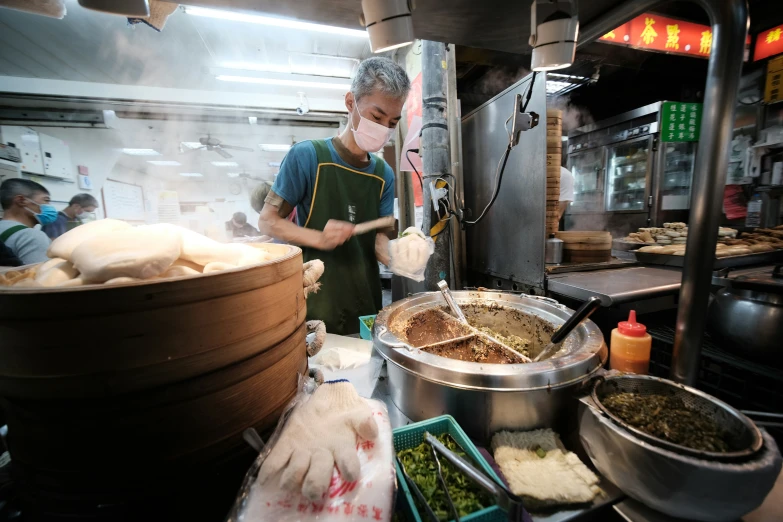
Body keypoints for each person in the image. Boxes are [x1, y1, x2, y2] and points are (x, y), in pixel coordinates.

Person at [258, 56, 409, 335]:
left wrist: (402, 257)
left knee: (368, 372)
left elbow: (378, 242)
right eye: (377, 117)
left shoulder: (383, 174)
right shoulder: (307, 156)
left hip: (367, 306)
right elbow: (267, 222)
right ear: (351, 102)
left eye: (393, 122)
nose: (384, 129)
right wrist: (318, 238)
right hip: (317, 305)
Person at [0, 179, 54, 265]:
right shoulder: (31, 236)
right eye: (46, 200)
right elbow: (42, 276)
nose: (50, 206)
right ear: (21, 201)